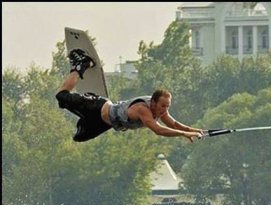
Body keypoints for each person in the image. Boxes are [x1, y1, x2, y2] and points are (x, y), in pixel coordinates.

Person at [56, 48, 203, 143]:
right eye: (163, 106)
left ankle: (83, 114)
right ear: (153, 102)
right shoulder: (142, 109)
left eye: (168, 106)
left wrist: (194, 131)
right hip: (98, 107)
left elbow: (174, 124)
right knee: (61, 97)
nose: (165, 110)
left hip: (104, 124)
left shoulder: (160, 110)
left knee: (78, 137)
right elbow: (159, 130)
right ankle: (81, 65)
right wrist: (184, 134)